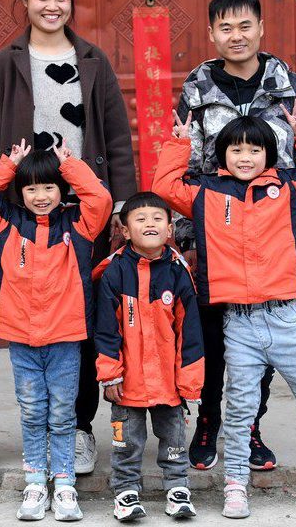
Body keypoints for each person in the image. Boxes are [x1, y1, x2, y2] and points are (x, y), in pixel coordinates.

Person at [0, 0, 137, 475]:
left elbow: (117, 139)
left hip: (82, 213)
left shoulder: (93, 59)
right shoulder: (4, 64)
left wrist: (124, 205)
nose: (52, 6)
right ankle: (39, 433)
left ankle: (79, 428)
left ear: (72, 2)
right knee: (31, 323)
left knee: (81, 321)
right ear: (24, 2)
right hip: (22, 215)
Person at [153, 106, 296, 518]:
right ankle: (236, 484)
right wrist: (179, 144)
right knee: (239, 406)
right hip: (238, 321)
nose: (245, 157)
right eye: (235, 149)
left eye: (254, 149)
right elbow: (164, 186)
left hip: (286, 317)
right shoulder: (205, 193)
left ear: (269, 155)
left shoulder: (289, 189)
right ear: (221, 155)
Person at [174, 0, 296, 473]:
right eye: (225, 27)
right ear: (211, 34)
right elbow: (184, 163)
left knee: (262, 334)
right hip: (214, 229)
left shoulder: (289, 85)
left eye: (245, 26)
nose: (236, 36)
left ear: (261, 29)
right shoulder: (197, 88)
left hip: (275, 229)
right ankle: (208, 421)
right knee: (216, 336)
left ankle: (249, 426)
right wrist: (187, 239)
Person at [0, 139, 112, 521]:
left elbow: (100, 200)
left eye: (48, 187)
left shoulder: (77, 226)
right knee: (32, 412)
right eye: (31, 188)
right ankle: (35, 481)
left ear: (61, 189)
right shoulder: (4, 224)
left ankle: (64, 485)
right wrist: (8, 164)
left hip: (65, 338)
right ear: (20, 191)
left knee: (63, 413)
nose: (40, 195)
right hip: (22, 338)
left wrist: (71, 166)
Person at [94, 192, 204, 521]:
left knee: (173, 436)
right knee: (125, 439)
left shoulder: (177, 272)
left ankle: (177, 486)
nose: (150, 224)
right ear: (125, 231)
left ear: (170, 228)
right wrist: (109, 373)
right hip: (126, 381)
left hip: (169, 381)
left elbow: (191, 333)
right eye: (140, 219)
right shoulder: (114, 272)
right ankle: (126, 491)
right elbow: (105, 330)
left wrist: (190, 380)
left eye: (157, 218)